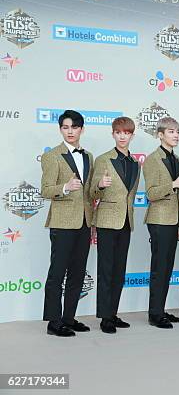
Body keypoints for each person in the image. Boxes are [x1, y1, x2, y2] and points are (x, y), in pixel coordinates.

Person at [41, 110, 94, 337]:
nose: (70, 131)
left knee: (77, 273)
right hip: (62, 223)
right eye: (65, 127)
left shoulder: (88, 156)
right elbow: (45, 190)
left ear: (81, 129)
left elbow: (88, 191)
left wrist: (98, 187)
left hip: (84, 222)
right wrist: (64, 187)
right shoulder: (52, 156)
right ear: (60, 129)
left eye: (74, 127)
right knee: (57, 272)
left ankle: (69, 318)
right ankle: (54, 322)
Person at [90, 117, 140, 333]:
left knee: (119, 271)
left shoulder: (135, 163)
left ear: (132, 136)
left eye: (126, 133)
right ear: (113, 134)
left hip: (126, 221)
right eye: (118, 132)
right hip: (107, 221)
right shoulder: (103, 159)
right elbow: (91, 191)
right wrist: (100, 185)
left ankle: (113, 313)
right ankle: (104, 317)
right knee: (106, 270)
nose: (122, 136)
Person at [143, 117, 179, 328]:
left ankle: (161, 309)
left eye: (177, 131)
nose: (176, 135)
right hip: (159, 220)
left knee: (167, 267)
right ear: (160, 135)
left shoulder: (177, 159)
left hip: (173, 220)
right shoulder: (152, 159)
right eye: (171, 132)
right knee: (159, 267)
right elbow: (151, 194)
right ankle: (155, 313)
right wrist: (173, 184)